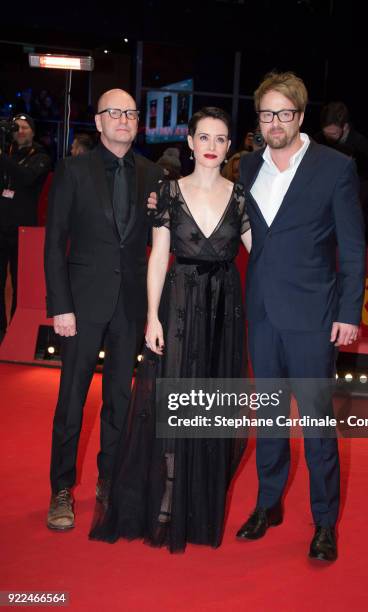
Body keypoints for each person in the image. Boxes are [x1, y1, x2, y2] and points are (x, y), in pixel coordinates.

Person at [89, 107, 252, 553]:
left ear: (228, 146)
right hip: (179, 305)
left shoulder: (240, 197)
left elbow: (262, 255)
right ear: (191, 142)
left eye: (221, 139)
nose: (212, 147)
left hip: (224, 311)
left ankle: (198, 505)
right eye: (205, 137)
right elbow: (158, 257)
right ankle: (166, 499)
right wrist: (153, 315)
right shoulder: (168, 192)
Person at [235, 72, 365, 561]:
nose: (275, 122)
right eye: (266, 114)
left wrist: (349, 312)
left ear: (300, 116)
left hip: (314, 317)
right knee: (267, 418)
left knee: (316, 424)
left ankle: (325, 521)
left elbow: (352, 249)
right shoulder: (246, 167)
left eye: (283, 113)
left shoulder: (335, 168)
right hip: (263, 314)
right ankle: (268, 504)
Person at [44, 89, 163, 531]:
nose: (123, 119)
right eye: (114, 112)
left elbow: (159, 242)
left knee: (119, 399)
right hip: (81, 304)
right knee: (71, 399)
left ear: (138, 123)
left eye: (130, 113)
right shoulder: (73, 170)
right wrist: (61, 305)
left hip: (129, 305)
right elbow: (55, 242)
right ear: (98, 122)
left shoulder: (152, 175)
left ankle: (109, 479)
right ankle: (61, 488)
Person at [0, 113, 51, 342]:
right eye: (16, 128)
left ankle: (17, 331)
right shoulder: (7, 153)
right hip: (2, 225)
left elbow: (26, 178)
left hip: (24, 230)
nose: (20, 131)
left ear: (33, 131)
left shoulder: (40, 156)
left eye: (25, 128)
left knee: (21, 284)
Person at [314, 100, 368, 177]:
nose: (329, 138)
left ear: (345, 127)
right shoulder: (318, 139)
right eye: (326, 133)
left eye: (333, 134)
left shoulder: (360, 145)